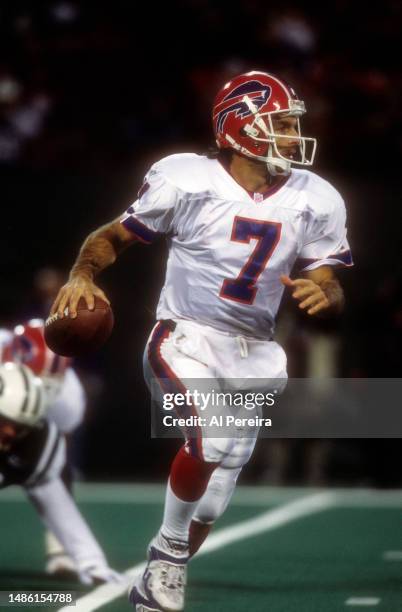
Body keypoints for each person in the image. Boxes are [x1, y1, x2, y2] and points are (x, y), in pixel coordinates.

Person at [50, 71, 353, 611]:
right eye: (280, 124)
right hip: (184, 335)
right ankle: (166, 558)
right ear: (241, 128)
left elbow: (329, 279)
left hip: (255, 350)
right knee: (209, 441)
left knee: (216, 492)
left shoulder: (316, 197)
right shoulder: (187, 179)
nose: (291, 135)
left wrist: (325, 293)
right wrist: (82, 273)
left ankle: (152, 583)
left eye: (291, 124)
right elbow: (113, 236)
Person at [0, 361, 122, 585]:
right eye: (3, 422)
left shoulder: (34, 442)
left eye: (17, 426)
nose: (9, 432)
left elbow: (54, 500)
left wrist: (91, 563)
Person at [1, 321, 93, 581]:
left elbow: (56, 455)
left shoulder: (68, 397)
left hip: (24, 431)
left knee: (55, 464)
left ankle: (59, 545)